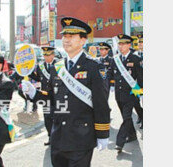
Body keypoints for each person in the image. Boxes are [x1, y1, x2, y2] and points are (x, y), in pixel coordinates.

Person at [22, 17, 110, 167]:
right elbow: (50, 101)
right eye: (64, 36)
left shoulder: (94, 66)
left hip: (81, 137)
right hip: (58, 136)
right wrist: (34, 94)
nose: (66, 40)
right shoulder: (57, 67)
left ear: (83, 40)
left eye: (71, 36)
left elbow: (101, 103)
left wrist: (102, 134)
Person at [110, 34, 143, 153]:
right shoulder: (115, 59)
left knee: (127, 117)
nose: (121, 46)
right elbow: (111, 75)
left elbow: (141, 77)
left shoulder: (135, 59)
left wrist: (140, 92)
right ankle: (132, 135)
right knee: (126, 117)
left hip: (130, 94)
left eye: (123, 44)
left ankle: (120, 142)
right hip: (118, 94)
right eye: (119, 44)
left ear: (129, 45)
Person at [29, 46, 57, 146]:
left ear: (53, 55)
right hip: (45, 96)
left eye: (48, 55)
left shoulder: (59, 65)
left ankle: (58, 137)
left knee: (58, 116)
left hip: (57, 96)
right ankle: (50, 136)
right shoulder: (41, 66)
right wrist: (28, 73)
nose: (46, 57)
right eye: (44, 55)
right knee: (47, 117)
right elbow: (38, 78)